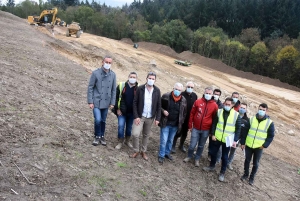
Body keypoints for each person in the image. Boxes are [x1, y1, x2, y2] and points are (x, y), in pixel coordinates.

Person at [203, 98, 241, 182]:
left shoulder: (236, 115)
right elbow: (214, 123)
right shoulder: (219, 111)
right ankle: (211, 166)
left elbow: (238, 129)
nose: (227, 106)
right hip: (217, 137)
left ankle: (222, 172)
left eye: (229, 104)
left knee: (224, 156)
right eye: (226, 104)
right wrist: (213, 134)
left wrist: (235, 140)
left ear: (232, 105)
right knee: (213, 152)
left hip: (228, 139)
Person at [240, 103, 275, 185]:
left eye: (263, 110)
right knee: (247, 161)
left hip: (259, 147)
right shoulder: (252, 119)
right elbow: (245, 131)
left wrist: (264, 145)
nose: (261, 111)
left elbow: (271, 136)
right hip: (248, 145)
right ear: (258, 109)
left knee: (256, 163)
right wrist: (243, 142)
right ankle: (245, 174)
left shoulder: (269, 123)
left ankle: (252, 178)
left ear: (266, 111)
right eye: (260, 109)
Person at [183, 87, 218, 167]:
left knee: (201, 145)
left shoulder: (214, 105)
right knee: (192, 145)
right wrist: (190, 125)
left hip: (206, 130)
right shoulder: (198, 102)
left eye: (209, 94)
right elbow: (192, 114)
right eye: (207, 93)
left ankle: (197, 159)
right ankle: (189, 156)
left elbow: (214, 119)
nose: (208, 95)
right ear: (204, 93)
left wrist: (211, 131)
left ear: (212, 94)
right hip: (195, 128)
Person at [130, 72, 161, 160]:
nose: (151, 80)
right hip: (140, 116)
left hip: (150, 117)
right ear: (146, 79)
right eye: (149, 78)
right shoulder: (140, 89)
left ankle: (143, 151)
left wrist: (157, 118)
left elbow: (159, 105)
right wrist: (136, 116)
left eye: (153, 79)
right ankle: (136, 150)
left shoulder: (157, 90)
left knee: (146, 135)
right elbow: (135, 102)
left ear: (155, 80)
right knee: (135, 134)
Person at [87, 56, 116, 146]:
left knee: (103, 120)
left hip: (106, 102)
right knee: (98, 120)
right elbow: (90, 87)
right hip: (96, 101)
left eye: (109, 63)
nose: (107, 64)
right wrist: (90, 101)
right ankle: (97, 136)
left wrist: (112, 102)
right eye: (106, 62)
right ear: (102, 62)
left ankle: (102, 136)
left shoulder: (113, 75)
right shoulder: (96, 73)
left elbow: (113, 90)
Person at [158, 83, 187, 164]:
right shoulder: (166, 96)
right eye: (176, 89)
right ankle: (161, 155)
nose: (177, 91)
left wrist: (181, 122)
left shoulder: (183, 100)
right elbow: (159, 106)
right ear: (173, 88)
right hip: (165, 123)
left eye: (179, 90)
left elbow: (184, 113)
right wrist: (163, 111)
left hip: (175, 124)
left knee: (170, 140)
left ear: (181, 91)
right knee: (164, 140)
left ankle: (167, 153)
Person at [114, 72, 138, 150]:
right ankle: (120, 141)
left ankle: (127, 141)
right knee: (121, 126)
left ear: (136, 79)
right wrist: (117, 109)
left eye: (134, 77)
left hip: (131, 113)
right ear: (128, 77)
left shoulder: (138, 88)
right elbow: (116, 97)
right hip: (122, 112)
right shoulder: (122, 86)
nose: (132, 78)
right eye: (131, 77)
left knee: (129, 128)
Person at [172, 81, 197, 153]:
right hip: (180, 117)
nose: (190, 88)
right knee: (178, 132)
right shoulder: (182, 94)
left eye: (191, 87)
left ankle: (181, 145)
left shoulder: (194, 96)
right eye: (188, 87)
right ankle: (173, 145)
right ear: (186, 87)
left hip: (188, 118)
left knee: (185, 133)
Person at [227, 103, 249, 170]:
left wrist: (242, 141)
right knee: (225, 149)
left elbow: (245, 132)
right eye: (241, 107)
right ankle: (220, 159)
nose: (242, 109)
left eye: (244, 108)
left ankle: (229, 162)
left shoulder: (247, 120)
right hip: (229, 135)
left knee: (232, 151)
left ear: (246, 110)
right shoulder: (233, 114)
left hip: (237, 139)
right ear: (239, 107)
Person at [208, 89, 223, 161]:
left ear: (220, 96)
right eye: (215, 94)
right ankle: (209, 154)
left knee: (215, 143)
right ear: (213, 94)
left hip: (216, 126)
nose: (216, 95)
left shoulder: (221, 105)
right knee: (209, 141)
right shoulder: (209, 101)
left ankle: (215, 157)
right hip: (208, 124)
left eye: (218, 94)